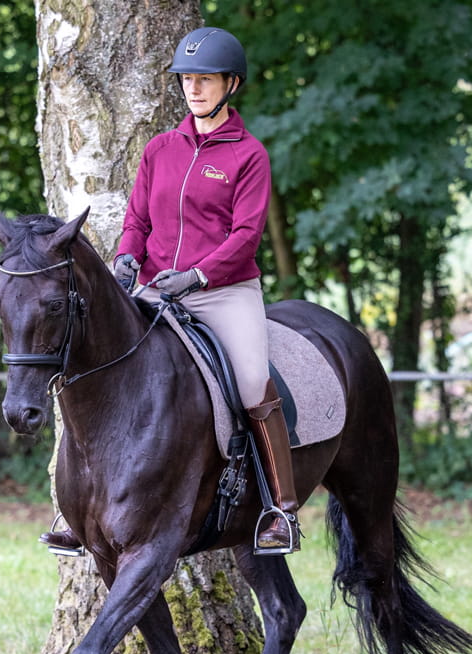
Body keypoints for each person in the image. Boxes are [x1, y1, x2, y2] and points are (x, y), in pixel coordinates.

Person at [44, 26, 300, 555]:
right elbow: (137, 217)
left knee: (253, 382)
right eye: (187, 80)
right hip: (158, 287)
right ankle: (76, 510)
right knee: (94, 367)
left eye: (205, 80)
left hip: (224, 292)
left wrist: (199, 275)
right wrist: (126, 257)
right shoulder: (160, 148)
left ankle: (281, 507)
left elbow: (246, 236)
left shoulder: (248, 155)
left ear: (231, 84)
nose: (194, 89)